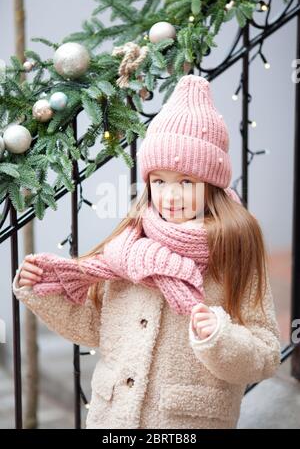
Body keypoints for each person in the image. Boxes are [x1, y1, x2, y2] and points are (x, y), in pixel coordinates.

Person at [12, 75, 281, 429]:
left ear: (212, 184)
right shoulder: (128, 243)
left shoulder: (234, 249)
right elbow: (97, 327)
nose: (169, 195)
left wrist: (220, 336)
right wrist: (47, 291)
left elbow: (266, 355)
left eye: (186, 181)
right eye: (159, 181)